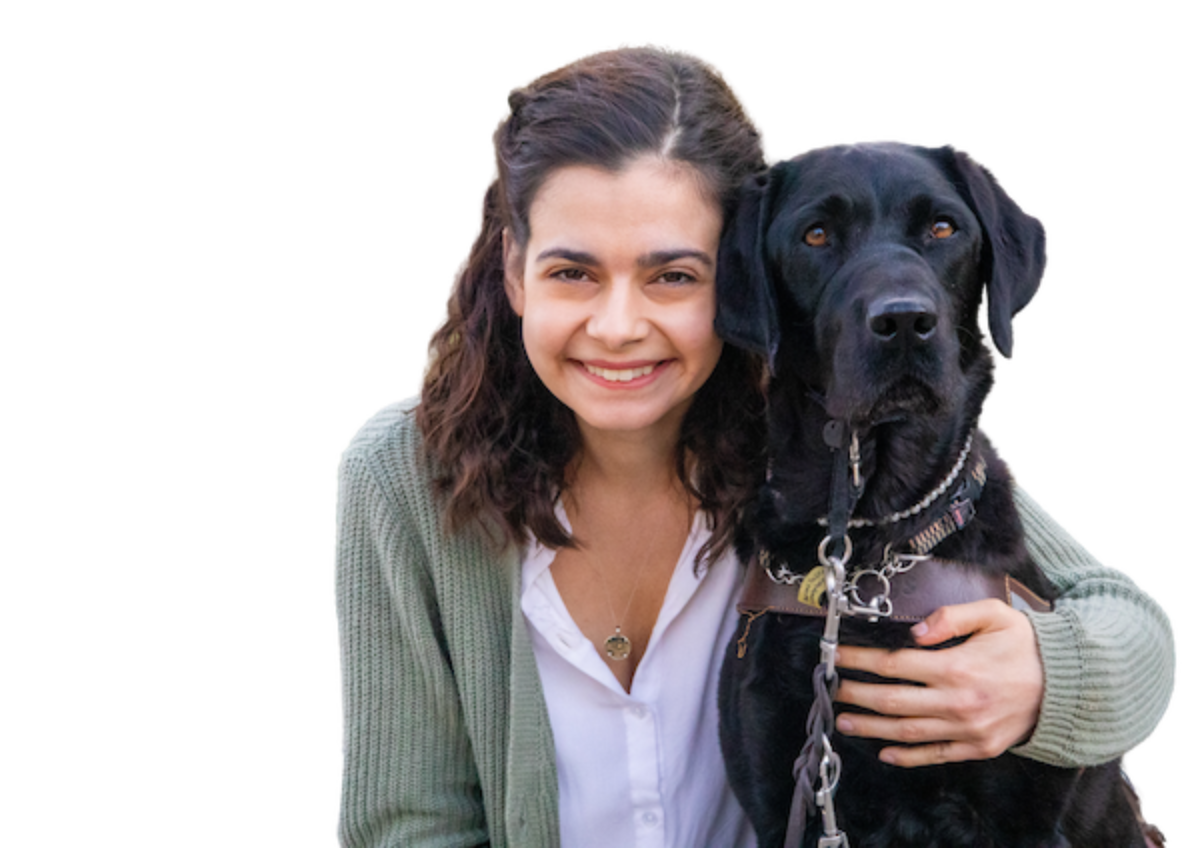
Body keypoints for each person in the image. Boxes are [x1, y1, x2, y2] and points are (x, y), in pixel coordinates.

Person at [333, 42, 1176, 848]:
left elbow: (1129, 624)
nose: (619, 326)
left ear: (739, 281)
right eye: (573, 272)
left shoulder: (824, 439)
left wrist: (1045, 681)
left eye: (673, 275)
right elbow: (405, 825)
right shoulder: (405, 471)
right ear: (515, 270)